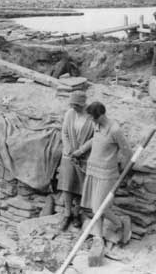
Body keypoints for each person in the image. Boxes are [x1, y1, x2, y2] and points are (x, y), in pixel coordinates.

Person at [72, 102, 132, 261]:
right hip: (93, 171)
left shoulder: (115, 130)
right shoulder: (97, 126)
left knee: (100, 207)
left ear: (99, 115)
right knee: (93, 207)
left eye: (91, 117)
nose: (90, 120)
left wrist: (124, 172)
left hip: (107, 174)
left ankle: (121, 223)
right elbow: (94, 140)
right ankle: (98, 238)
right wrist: (80, 151)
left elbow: (127, 152)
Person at [57, 92, 94, 231]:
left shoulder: (92, 116)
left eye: (77, 106)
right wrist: (68, 148)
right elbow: (64, 132)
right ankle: (67, 214)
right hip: (69, 154)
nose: (74, 108)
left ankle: (76, 213)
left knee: (80, 185)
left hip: (84, 156)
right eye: (72, 105)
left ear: (83, 104)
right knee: (67, 184)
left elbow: (95, 136)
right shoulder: (70, 114)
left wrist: (81, 150)